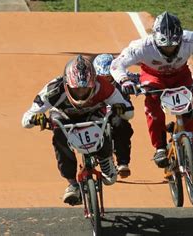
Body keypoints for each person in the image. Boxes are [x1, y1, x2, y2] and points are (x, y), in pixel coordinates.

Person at [110, 11, 193, 176]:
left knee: (192, 110)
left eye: (173, 45)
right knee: (152, 100)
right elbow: (116, 64)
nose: (169, 49)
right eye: (165, 46)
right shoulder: (140, 47)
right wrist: (124, 80)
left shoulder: (191, 39)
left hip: (180, 76)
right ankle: (160, 147)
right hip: (153, 76)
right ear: (155, 39)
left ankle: (190, 147)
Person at [22, 55, 134, 205]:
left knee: (106, 123)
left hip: (92, 114)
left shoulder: (103, 85)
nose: (81, 93)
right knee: (57, 132)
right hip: (64, 116)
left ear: (93, 83)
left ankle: (105, 159)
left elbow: (129, 112)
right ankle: (72, 183)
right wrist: (35, 118)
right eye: (77, 90)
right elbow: (26, 118)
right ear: (67, 84)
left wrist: (120, 108)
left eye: (85, 89)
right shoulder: (54, 89)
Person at [93, 53, 139, 178]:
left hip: (118, 111)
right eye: (102, 77)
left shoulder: (123, 76)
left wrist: (140, 86)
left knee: (122, 126)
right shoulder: (90, 82)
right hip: (97, 112)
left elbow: (140, 79)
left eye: (108, 77)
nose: (106, 80)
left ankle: (123, 162)